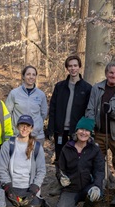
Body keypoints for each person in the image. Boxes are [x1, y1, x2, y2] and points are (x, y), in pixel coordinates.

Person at [85, 61, 115, 206]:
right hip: (99, 132)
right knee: (98, 163)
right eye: (111, 72)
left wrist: (112, 110)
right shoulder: (97, 88)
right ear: (106, 73)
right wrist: (89, 128)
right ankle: (98, 190)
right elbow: (90, 109)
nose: (113, 76)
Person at [47, 55, 92, 196]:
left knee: (74, 157)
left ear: (79, 67)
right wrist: (50, 128)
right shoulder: (60, 87)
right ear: (67, 68)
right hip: (60, 130)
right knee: (60, 157)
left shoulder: (87, 88)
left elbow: (88, 111)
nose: (73, 68)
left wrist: (85, 131)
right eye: (70, 66)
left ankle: (73, 184)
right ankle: (60, 182)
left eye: (75, 65)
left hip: (76, 131)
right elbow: (53, 108)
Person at [0, 115, 46, 207]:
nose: (25, 128)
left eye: (28, 126)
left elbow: (41, 171)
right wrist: (8, 188)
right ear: (17, 126)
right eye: (22, 125)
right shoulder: (8, 145)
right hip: (12, 187)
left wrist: (34, 189)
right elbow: (2, 169)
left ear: (32, 128)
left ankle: (37, 205)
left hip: (29, 188)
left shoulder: (37, 147)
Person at [53, 117, 104, 207]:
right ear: (76, 131)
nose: (83, 133)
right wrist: (61, 177)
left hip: (88, 187)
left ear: (91, 133)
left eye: (87, 130)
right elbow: (60, 168)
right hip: (70, 188)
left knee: (97, 193)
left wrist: (97, 186)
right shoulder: (67, 148)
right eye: (81, 129)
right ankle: (71, 205)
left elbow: (99, 170)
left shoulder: (95, 149)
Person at [5, 66, 48, 145]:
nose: (31, 77)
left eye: (33, 74)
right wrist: (13, 130)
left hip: (36, 136)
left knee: (36, 157)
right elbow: (7, 113)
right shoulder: (14, 93)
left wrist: (37, 127)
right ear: (23, 76)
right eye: (28, 74)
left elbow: (43, 114)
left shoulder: (41, 95)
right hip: (18, 135)